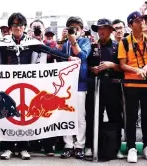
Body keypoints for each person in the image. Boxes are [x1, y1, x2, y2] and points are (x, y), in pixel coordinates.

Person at [0, 12, 77, 160]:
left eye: (20, 25)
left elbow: (50, 51)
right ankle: (8, 148)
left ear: (24, 27)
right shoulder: (3, 42)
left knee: (23, 114)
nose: (17, 27)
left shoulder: (32, 42)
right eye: (14, 25)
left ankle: (24, 147)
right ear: (11, 27)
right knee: (7, 115)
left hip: (27, 83)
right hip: (7, 83)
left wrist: (68, 58)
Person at [118, 11, 147, 163]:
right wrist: (137, 70)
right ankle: (131, 148)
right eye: (138, 21)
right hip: (131, 84)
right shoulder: (124, 42)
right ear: (130, 25)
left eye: (143, 21)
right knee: (131, 117)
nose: (142, 23)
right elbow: (122, 64)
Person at [85, 18, 124, 160]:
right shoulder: (92, 46)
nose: (100, 31)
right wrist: (92, 69)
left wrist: (111, 65)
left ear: (110, 30)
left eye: (103, 28)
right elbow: (85, 65)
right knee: (93, 116)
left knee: (115, 117)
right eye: (98, 29)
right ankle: (91, 146)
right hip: (95, 86)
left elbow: (123, 67)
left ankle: (117, 147)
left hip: (113, 86)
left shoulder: (118, 45)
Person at [57, 16, 91, 159]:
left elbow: (82, 55)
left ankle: (80, 145)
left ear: (82, 30)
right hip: (64, 84)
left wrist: (73, 40)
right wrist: (62, 39)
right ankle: (68, 144)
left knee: (79, 116)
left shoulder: (85, 41)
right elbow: (55, 55)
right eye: (71, 28)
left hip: (80, 84)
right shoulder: (64, 43)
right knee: (65, 114)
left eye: (76, 28)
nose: (73, 31)